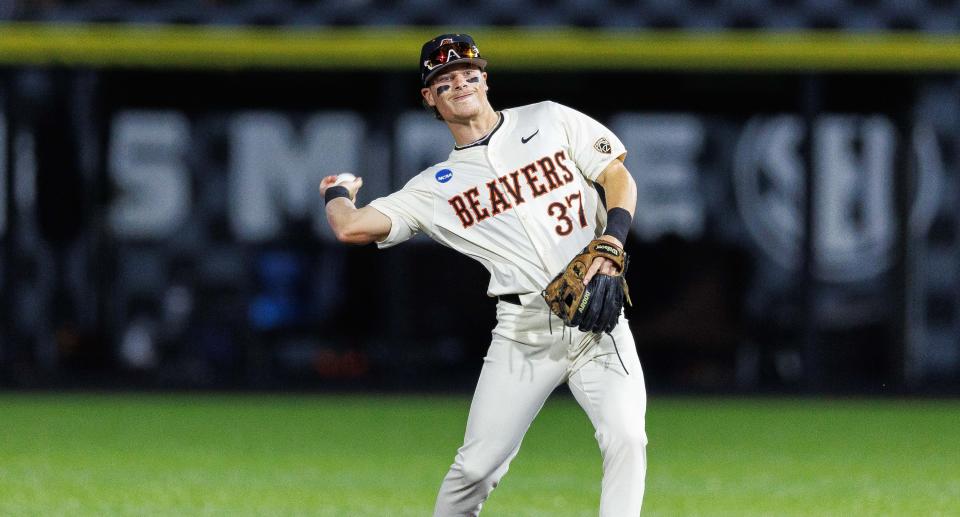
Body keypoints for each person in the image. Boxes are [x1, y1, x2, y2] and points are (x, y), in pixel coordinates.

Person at [319, 33, 647, 517]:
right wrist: (336, 191)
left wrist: (612, 240)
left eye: (468, 73)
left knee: (626, 437)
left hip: (596, 320)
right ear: (429, 97)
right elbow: (350, 227)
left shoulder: (548, 117)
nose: (459, 82)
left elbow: (616, 175)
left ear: (485, 79)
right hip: (523, 331)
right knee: (475, 469)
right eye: (444, 80)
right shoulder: (436, 187)